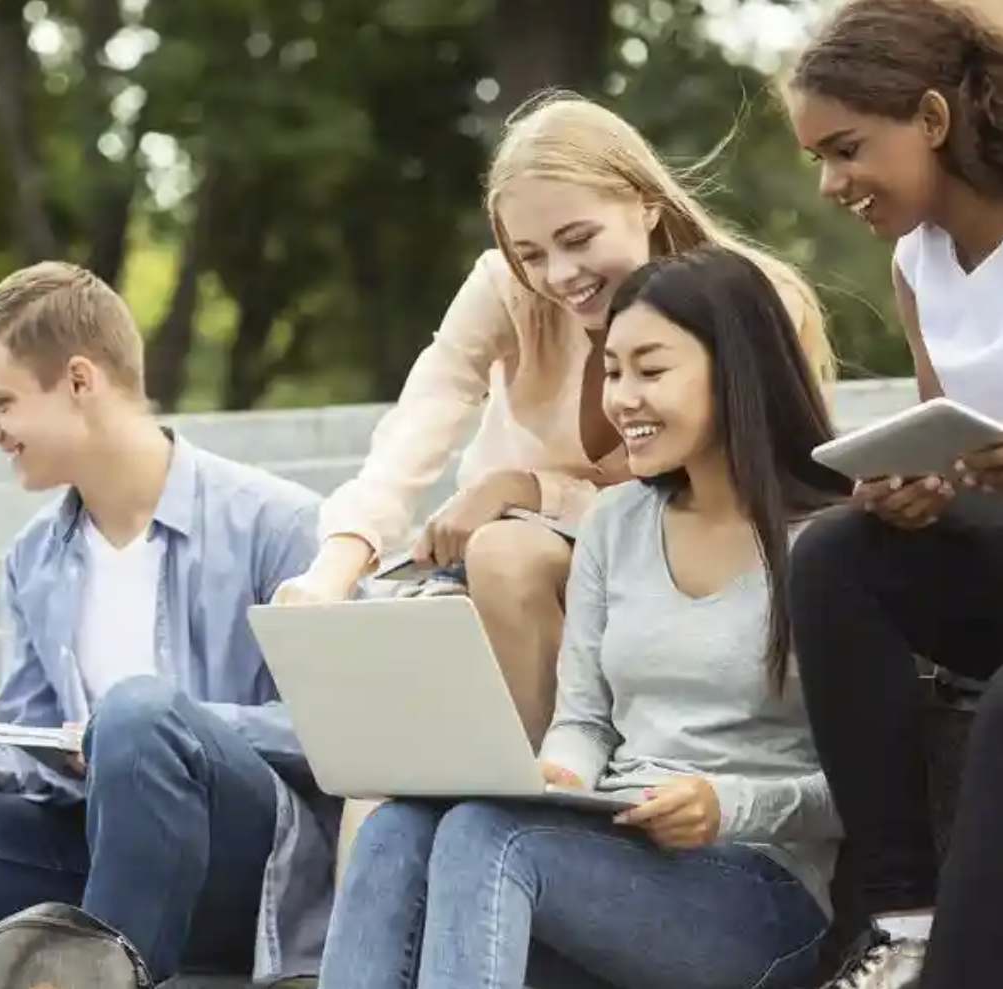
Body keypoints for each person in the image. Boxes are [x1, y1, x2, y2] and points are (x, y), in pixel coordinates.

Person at [315, 246, 851, 989]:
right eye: (614, 370)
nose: (622, 397)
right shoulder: (616, 523)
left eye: (651, 369)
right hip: (614, 847)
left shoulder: (831, 542)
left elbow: (865, 786)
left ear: (736, 366)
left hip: (763, 890)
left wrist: (724, 805)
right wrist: (559, 774)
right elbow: (586, 720)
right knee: (399, 828)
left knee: (488, 835)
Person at [0, 262, 334, 989]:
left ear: (80, 381)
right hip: (93, 845)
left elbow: (338, 732)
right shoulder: (34, 556)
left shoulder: (279, 523)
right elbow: (36, 747)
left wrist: (152, 736)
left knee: (138, 713)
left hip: (247, 864)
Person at [276, 88, 835, 763]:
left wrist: (523, 489)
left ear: (645, 203)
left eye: (579, 239)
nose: (560, 275)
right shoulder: (506, 289)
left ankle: (544, 808)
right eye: (532, 254)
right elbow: (421, 416)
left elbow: (708, 489)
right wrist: (331, 573)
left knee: (505, 553)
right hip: (476, 579)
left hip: (656, 569)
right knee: (381, 777)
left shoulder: (754, 301)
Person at [784, 2, 1003, 987]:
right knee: (833, 551)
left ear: (932, 116)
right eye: (818, 158)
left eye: (848, 148)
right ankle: (895, 909)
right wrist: (916, 486)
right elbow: (950, 445)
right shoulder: (916, 262)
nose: (831, 183)